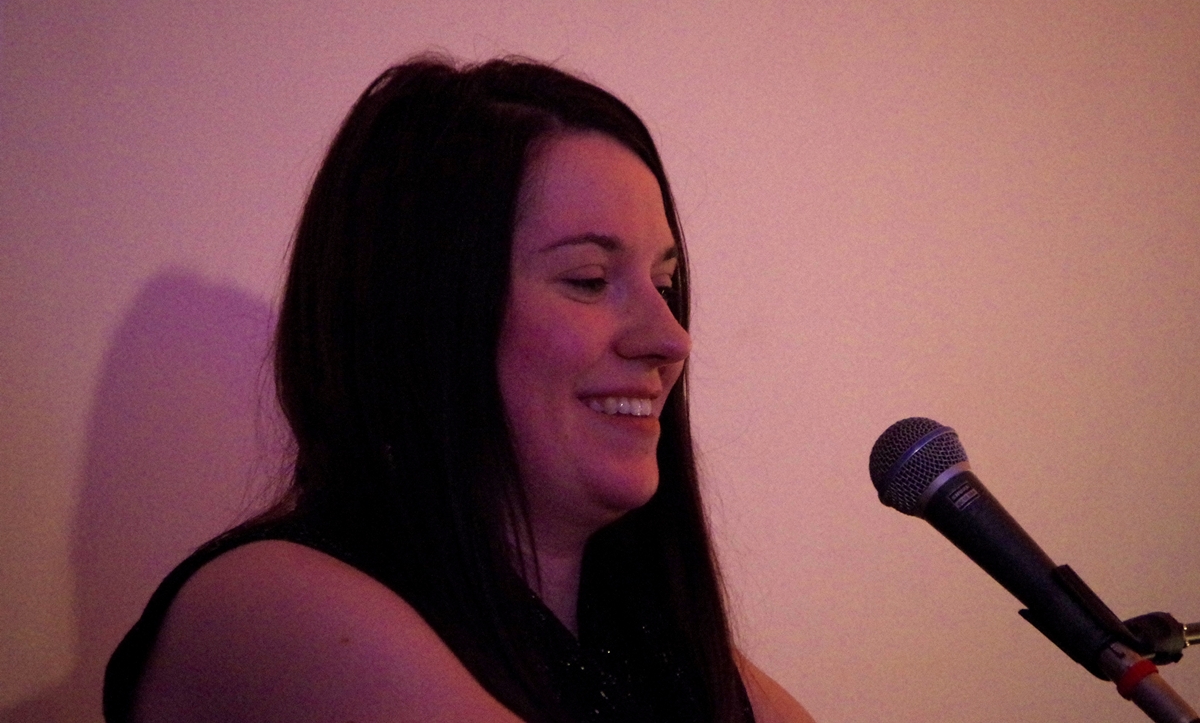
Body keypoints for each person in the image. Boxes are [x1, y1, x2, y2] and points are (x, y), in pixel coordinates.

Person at [103, 56, 815, 723]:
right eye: (589, 280)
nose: (670, 338)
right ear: (423, 315)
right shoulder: (269, 602)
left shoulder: (656, 636)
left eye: (664, 284)